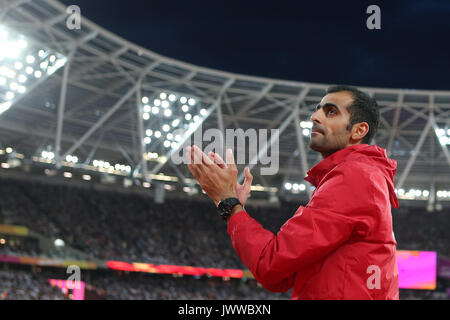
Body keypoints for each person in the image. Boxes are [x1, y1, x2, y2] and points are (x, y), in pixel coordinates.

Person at [186, 85, 399, 300]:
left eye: (331, 111)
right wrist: (234, 207)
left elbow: (270, 264)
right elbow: (281, 277)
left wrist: (228, 203)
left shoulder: (354, 177)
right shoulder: (361, 175)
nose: (314, 117)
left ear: (358, 130)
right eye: (317, 109)